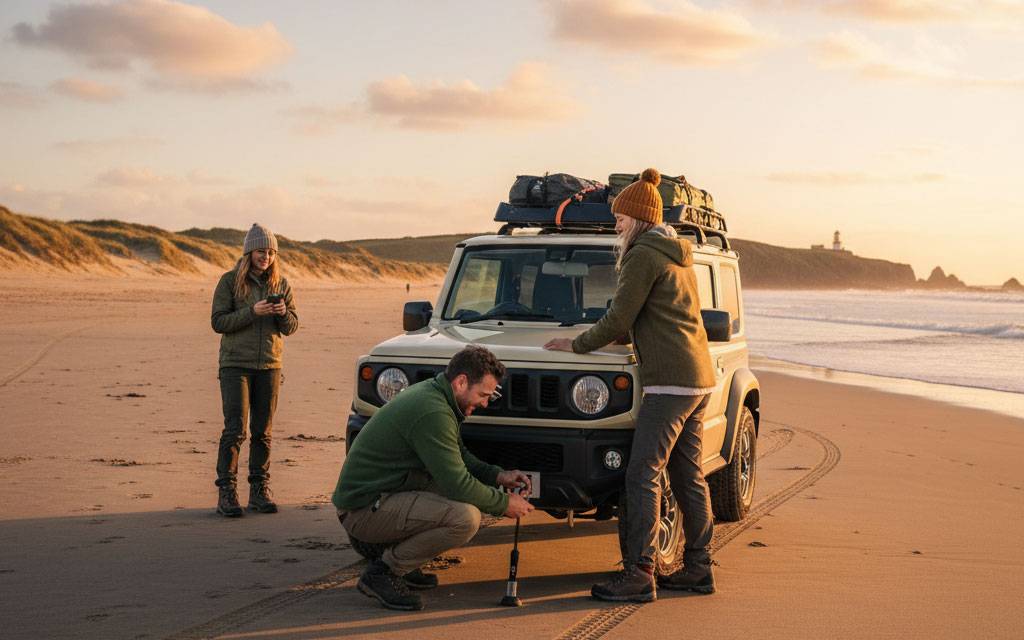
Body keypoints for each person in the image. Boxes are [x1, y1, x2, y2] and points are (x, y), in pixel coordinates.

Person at [545, 168, 717, 601]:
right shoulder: (677, 254)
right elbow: (658, 317)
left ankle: (640, 573)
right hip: (697, 377)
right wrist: (622, 335)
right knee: (687, 475)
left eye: (621, 217)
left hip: (670, 382)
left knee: (642, 474)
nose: (616, 223)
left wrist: (577, 344)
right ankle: (699, 567)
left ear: (638, 218)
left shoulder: (642, 254)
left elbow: (620, 317)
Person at [332, 345, 534, 611]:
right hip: (362, 511)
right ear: (461, 382)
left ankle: (403, 560)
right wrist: (504, 503)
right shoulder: (433, 411)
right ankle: (384, 572)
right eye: (483, 395)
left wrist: (498, 475)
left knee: (456, 497)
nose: (485, 403)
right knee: (465, 518)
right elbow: (458, 484)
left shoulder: (436, 394)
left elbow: (458, 456)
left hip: (380, 496)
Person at [210, 223, 299, 517]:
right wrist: (253, 312)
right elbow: (218, 322)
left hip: (270, 365)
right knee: (235, 430)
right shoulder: (229, 282)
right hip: (236, 365)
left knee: (263, 432)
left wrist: (283, 313)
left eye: (271, 252)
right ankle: (227, 493)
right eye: (262, 251)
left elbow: (292, 327)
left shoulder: (281, 284)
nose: (267, 257)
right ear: (249, 252)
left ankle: (259, 491)